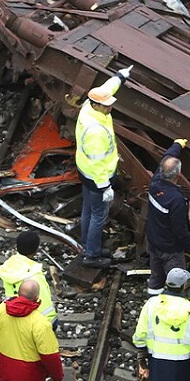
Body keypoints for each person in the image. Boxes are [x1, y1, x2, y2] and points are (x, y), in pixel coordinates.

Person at [75, 65, 133, 268]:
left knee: (88, 210)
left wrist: (120, 77)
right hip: (97, 177)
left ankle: (87, 245)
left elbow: (107, 88)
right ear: (97, 105)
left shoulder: (89, 108)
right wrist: (104, 187)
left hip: (85, 172)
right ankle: (91, 255)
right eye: (107, 105)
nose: (110, 107)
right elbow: (98, 161)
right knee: (98, 215)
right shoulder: (95, 131)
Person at [145, 138, 190, 294]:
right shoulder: (176, 200)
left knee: (156, 277)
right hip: (170, 249)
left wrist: (177, 145)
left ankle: (152, 301)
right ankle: (173, 309)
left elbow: (166, 159)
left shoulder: (155, 182)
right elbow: (180, 230)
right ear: (178, 174)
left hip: (154, 242)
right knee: (176, 282)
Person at [0, 231, 57, 328]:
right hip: (36, 323)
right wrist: (52, 322)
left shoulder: (9, 267)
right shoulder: (35, 276)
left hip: (15, 316)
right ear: (36, 249)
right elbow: (45, 305)